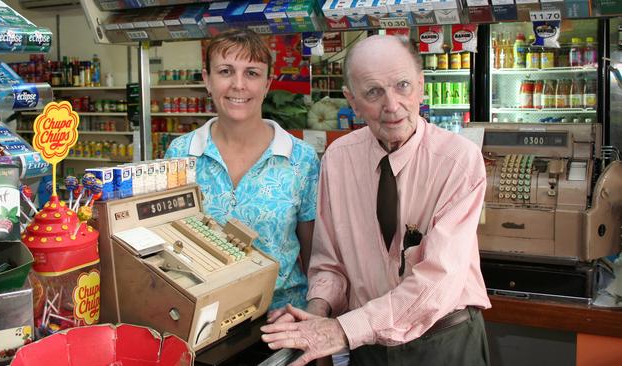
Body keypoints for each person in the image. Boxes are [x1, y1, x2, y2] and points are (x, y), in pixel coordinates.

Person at [261, 35, 491, 366]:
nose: (392, 105)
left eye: (402, 86)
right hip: (367, 349)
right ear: (352, 101)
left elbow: (438, 280)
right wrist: (316, 312)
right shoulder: (339, 159)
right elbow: (329, 261)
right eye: (373, 92)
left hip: (443, 343)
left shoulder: (458, 161)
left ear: (421, 86)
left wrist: (339, 331)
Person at [165, 29, 319, 311]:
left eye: (252, 73)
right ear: (207, 80)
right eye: (225, 71)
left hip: (281, 318)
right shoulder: (180, 153)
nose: (239, 85)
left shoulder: (301, 159)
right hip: (201, 317)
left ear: (267, 83)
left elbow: (314, 256)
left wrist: (314, 321)